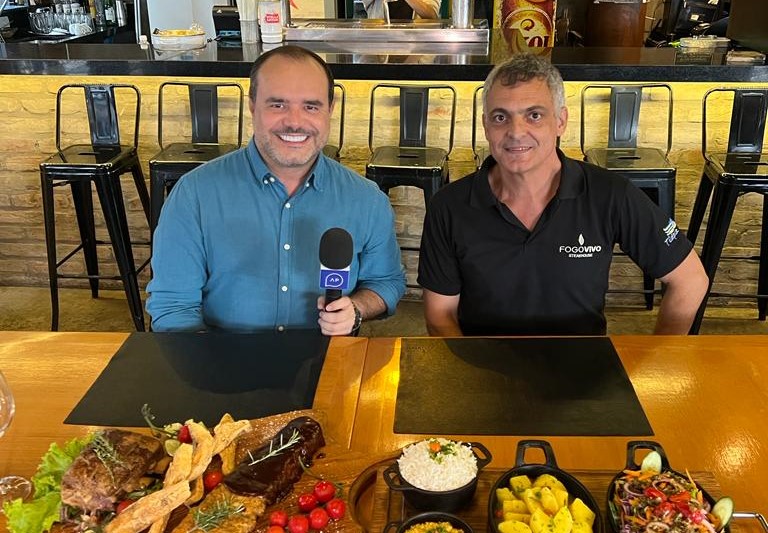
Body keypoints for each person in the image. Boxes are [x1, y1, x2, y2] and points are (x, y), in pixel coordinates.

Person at [418, 53, 708, 336]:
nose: (516, 132)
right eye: (500, 117)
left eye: (534, 115)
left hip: (582, 364)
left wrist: (658, 360)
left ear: (560, 121)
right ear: (485, 126)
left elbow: (690, 279)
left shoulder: (610, 194)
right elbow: (440, 315)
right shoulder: (449, 206)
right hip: (480, 363)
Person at [147, 46, 406, 335]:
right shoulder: (194, 195)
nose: (295, 121)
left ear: (330, 110)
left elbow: (386, 282)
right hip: (218, 355)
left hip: (327, 357)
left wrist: (356, 309)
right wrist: (211, 360)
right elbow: (174, 308)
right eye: (278, 105)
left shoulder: (367, 200)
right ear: (252, 106)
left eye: (311, 106)